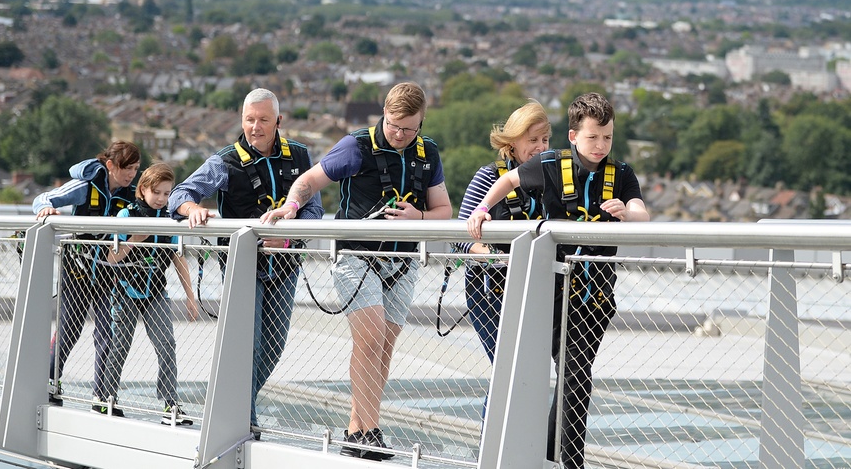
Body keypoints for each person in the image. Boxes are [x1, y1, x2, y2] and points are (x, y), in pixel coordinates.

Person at [263, 82, 452, 461]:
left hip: (402, 263)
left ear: (421, 123)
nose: (399, 134)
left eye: (408, 129)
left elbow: (444, 210)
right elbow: (309, 181)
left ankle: (355, 430)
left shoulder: (427, 152)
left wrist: (420, 217)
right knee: (369, 339)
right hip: (355, 256)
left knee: (383, 348)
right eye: (393, 125)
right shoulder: (356, 146)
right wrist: (290, 207)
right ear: (383, 114)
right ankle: (370, 430)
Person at [466, 92, 649, 469]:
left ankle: (561, 460)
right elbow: (508, 181)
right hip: (550, 292)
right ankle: (539, 458)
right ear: (574, 136)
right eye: (593, 137)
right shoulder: (550, 165)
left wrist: (629, 216)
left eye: (608, 137)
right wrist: (482, 211)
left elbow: (640, 212)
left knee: (577, 375)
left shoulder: (622, 175)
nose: (601, 145)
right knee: (538, 374)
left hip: (594, 295)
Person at [168, 88, 323, 436]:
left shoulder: (300, 156)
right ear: (242, 120)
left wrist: (288, 234)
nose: (255, 127)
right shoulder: (225, 161)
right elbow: (180, 194)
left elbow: (315, 208)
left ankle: (232, 405)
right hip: (241, 268)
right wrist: (192, 209)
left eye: (264, 120)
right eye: (250, 120)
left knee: (273, 346)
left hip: (285, 265)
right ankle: (246, 423)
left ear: (278, 121)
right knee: (247, 345)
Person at [32, 141, 140, 411]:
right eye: (127, 168)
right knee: (69, 330)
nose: (131, 175)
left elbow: (155, 204)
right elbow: (43, 199)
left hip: (108, 272)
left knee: (108, 332)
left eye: (136, 169)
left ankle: (101, 396)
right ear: (111, 165)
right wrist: (46, 209)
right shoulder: (86, 187)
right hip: (77, 270)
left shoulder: (130, 195)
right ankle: (48, 383)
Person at [455, 100, 550, 375]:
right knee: (508, 370)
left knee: (529, 371)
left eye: (544, 139)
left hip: (535, 287)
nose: (540, 147)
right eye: (532, 139)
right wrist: (495, 257)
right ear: (512, 143)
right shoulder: (488, 177)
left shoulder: (552, 179)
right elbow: (461, 233)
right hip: (490, 290)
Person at [99, 162, 198, 425]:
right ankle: (106, 399)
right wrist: (135, 239)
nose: (162, 199)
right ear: (142, 190)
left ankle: (170, 404)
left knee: (167, 344)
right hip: (125, 292)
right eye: (157, 193)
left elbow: (179, 259)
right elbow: (111, 257)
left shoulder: (169, 219)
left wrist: (190, 297)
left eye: (167, 194)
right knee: (120, 345)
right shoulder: (126, 215)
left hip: (156, 292)